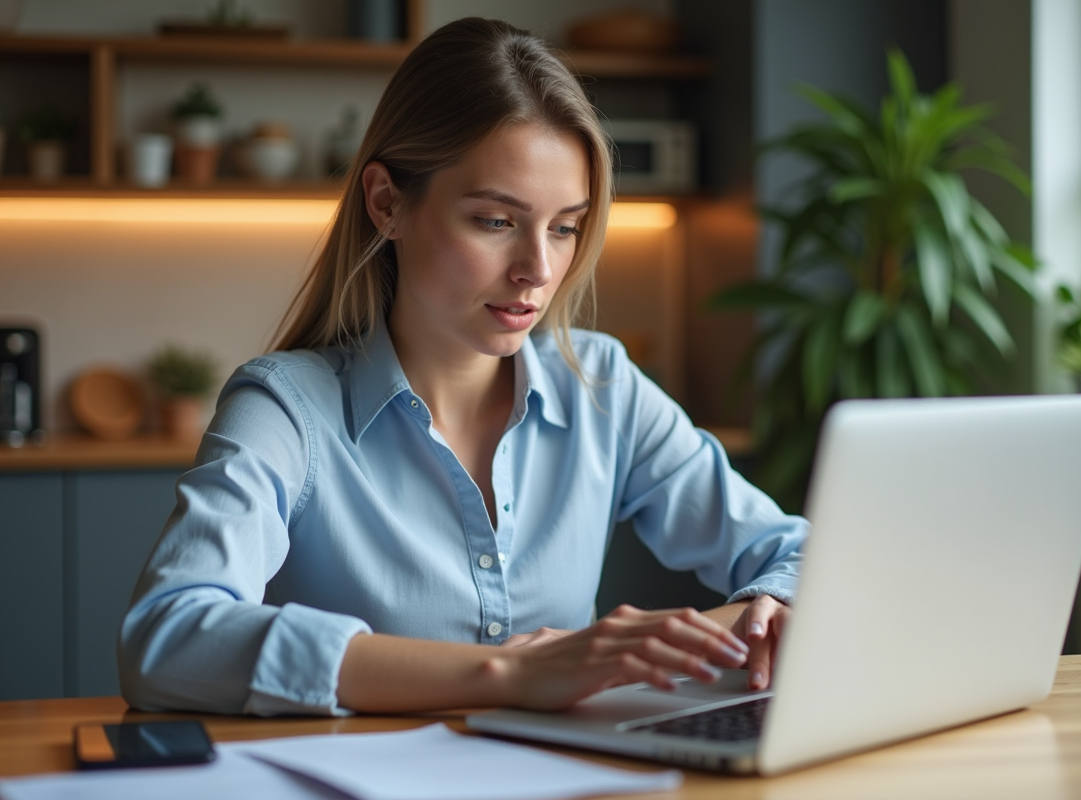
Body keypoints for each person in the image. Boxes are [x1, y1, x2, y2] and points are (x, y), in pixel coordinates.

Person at [118, 17, 808, 717]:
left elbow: (800, 555)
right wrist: (505, 674)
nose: (538, 270)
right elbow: (166, 637)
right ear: (387, 203)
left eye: (564, 227)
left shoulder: (601, 387)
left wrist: (762, 610)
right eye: (496, 221)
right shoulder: (286, 410)